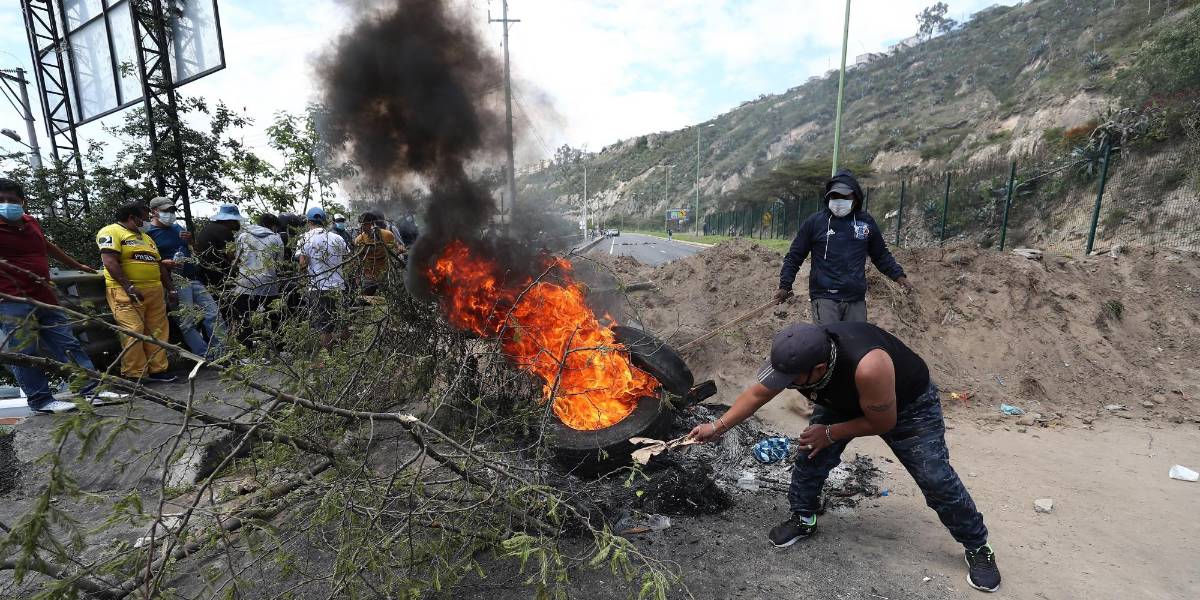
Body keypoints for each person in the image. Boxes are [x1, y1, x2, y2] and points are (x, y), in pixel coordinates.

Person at [689, 321, 1001, 593]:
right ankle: (803, 518)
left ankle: (977, 546)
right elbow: (759, 393)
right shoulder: (796, 354)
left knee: (935, 478)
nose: (784, 385)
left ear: (818, 370)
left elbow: (883, 422)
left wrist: (829, 433)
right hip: (841, 400)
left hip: (907, 408)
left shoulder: (869, 365)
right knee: (810, 456)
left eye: (790, 380)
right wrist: (717, 427)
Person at [0, 179, 100, 413]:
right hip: (12, 301)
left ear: (23, 202)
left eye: (12, 200)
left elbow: (46, 246)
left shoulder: (31, 222)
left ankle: (91, 390)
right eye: (1, 200)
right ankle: (41, 401)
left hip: (45, 295)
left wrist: (77, 265)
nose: (6, 204)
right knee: (25, 351)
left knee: (67, 343)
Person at [775, 170, 912, 324]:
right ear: (828, 197)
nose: (839, 201)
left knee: (855, 339)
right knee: (829, 337)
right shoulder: (815, 223)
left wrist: (899, 276)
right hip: (824, 297)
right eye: (834, 196)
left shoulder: (865, 223)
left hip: (855, 299)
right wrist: (785, 285)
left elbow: (880, 255)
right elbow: (794, 256)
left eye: (845, 197)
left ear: (855, 198)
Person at [97, 203, 176, 383]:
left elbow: (159, 265)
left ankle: (158, 369)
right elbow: (109, 262)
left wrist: (171, 288)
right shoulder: (111, 232)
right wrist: (128, 286)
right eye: (145, 218)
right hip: (127, 292)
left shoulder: (147, 238)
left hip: (155, 291)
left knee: (158, 331)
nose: (147, 222)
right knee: (133, 331)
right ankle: (135, 373)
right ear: (132, 217)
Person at [145, 197, 224, 359]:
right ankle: (204, 356)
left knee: (214, 314)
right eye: (166, 211)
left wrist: (191, 242)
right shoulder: (148, 234)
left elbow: (194, 251)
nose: (170, 214)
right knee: (186, 322)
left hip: (193, 277)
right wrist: (164, 266)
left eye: (172, 210)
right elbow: (148, 261)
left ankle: (222, 353)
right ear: (154, 212)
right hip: (174, 281)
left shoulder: (177, 227)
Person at [296, 207, 349, 350]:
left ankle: (328, 358)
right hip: (339, 286)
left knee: (325, 326)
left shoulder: (305, 238)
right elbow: (347, 257)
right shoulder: (337, 238)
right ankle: (347, 354)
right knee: (343, 322)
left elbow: (303, 264)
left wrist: (302, 277)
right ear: (325, 222)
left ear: (309, 222)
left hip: (318, 287)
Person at [229, 213, 285, 349]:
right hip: (268, 285)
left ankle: (245, 348)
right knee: (274, 316)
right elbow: (279, 265)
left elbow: (236, 260)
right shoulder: (276, 239)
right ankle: (277, 347)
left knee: (244, 318)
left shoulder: (243, 236)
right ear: (273, 226)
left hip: (245, 283)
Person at [193, 203, 244, 299]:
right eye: (236, 221)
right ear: (230, 221)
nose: (238, 223)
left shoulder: (207, 228)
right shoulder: (225, 231)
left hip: (204, 275)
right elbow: (232, 257)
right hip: (219, 277)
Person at [353, 211, 405, 296]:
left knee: (389, 296)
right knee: (367, 298)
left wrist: (400, 249)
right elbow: (358, 261)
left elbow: (394, 251)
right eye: (361, 224)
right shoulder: (359, 240)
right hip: (369, 276)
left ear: (372, 224)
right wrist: (358, 278)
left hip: (386, 274)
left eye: (365, 224)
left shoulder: (387, 235)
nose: (363, 227)